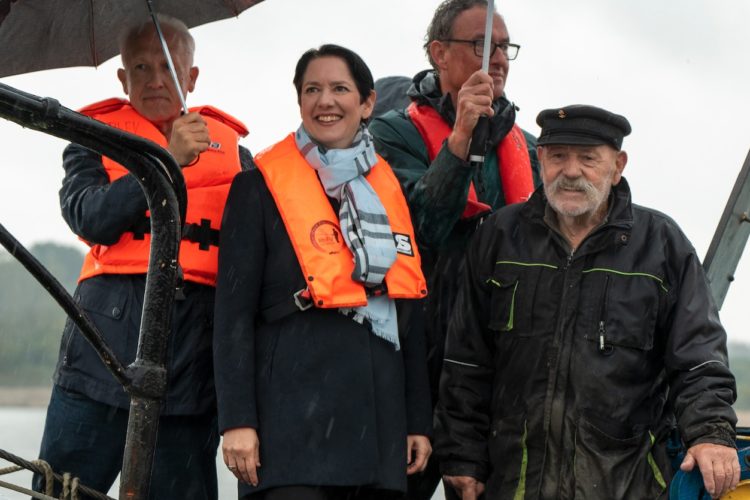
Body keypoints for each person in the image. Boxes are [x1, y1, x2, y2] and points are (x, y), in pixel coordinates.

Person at [434, 104, 740, 500]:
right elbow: (466, 359)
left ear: (618, 166)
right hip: (515, 480)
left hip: (629, 483)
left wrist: (711, 432)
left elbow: (698, 357)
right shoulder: (499, 236)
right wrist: (461, 454)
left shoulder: (662, 245)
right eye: (559, 156)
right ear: (540, 159)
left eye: (588, 159)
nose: (572, 171)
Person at [33, 15, 252, 499]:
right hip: (99, 358)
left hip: (191, 371)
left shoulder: (238, 155)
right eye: (141, 67)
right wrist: (165, 160)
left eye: (169, 67)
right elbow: (89, 217)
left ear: (191, 77)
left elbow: (259, 253)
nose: (156, 79)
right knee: (59, 492)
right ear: (123, 78)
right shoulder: (91, 137)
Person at [213, 44, 433, 500]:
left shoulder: (390, 188)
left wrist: (417, 421)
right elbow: (232, 315)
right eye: (312, 89)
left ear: (367, 103)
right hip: (290, 428)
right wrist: (237, 421)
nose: (324, 101)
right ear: (299, 102)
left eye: (339, 88)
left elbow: (408, 310)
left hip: (378, 424)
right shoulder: (257, 185)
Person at [368, 1, 541, 497]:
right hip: (416, 359)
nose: (499, 58)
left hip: (495, 366)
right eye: (483, 45)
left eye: (505, 47)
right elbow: (424, 226)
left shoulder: (530, 147)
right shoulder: (390, 134)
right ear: (438, 53)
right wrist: (462, 138)